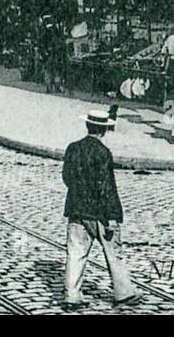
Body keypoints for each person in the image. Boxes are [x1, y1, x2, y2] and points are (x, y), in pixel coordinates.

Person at [61, 107, 142, 309]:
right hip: (100, 215)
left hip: (77, 210)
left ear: (88, 126)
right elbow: (107, 187)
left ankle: (72, 295)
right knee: (113, 253)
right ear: (103, 130)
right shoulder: (103, 153)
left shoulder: (72, 148)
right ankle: (123, 293)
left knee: (75, 254)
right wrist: (113, 216)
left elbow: (66, 178)